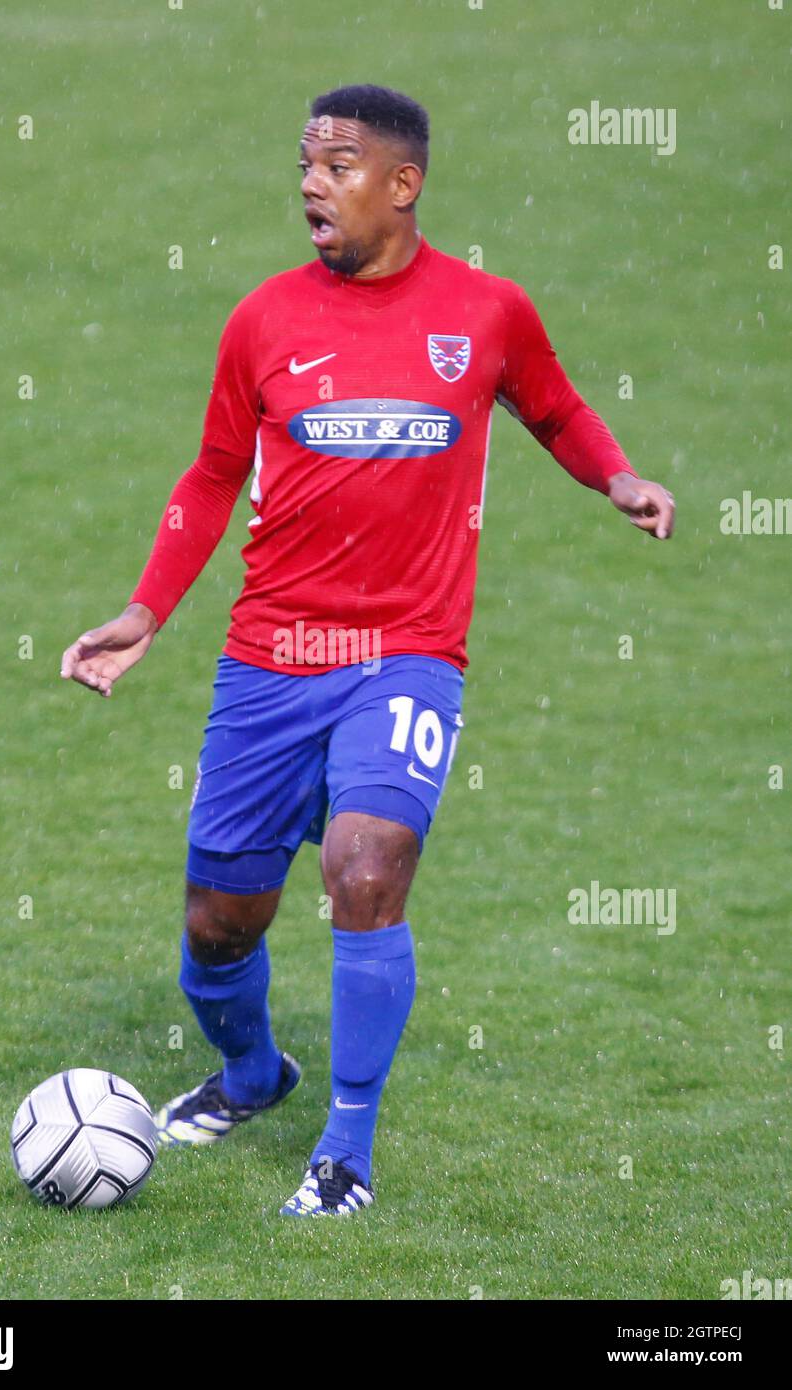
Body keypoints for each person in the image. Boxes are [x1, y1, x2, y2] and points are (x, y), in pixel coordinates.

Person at [61, 84, 675, 1218]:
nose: (310, 182)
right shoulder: (262, 321)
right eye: (304, 162)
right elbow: (209, 475)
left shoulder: (487, 312)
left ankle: (344, 1151)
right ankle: (253, 1074)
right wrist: (145, 611)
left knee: (365, 867)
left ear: (405, 184)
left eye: (337, 164)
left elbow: (555, 409)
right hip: (269, 658)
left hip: (406, 652)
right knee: (217, 923)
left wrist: (617, 474)